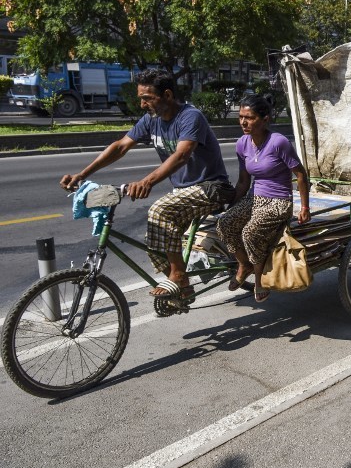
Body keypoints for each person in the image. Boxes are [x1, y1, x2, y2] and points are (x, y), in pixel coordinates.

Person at [60, 68, 233, 300]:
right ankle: (181, 290)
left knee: (160, 210)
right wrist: (81, 175)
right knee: (155, 237)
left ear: (168, 95)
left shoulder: (191, 117)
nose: (142, 104)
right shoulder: (152, 120)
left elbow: (182, 155)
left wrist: (146, 181)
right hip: (184, 191)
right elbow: (120, 146)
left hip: (212, 187)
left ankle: (179, 276)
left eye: (147, 98)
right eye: (141, 98)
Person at [216, 94, 311, 302]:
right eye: (240, 117)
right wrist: (231, 206)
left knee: (250, 232)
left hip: (279, 201)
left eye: (249, 118)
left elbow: (301, 174)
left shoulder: (279, 142)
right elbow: (243, 181)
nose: (243, 122)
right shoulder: (242, 144)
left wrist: (305, 207)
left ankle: (259, 279)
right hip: (254, 198)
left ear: (265, 119)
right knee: (224, 224)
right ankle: (245, 265)